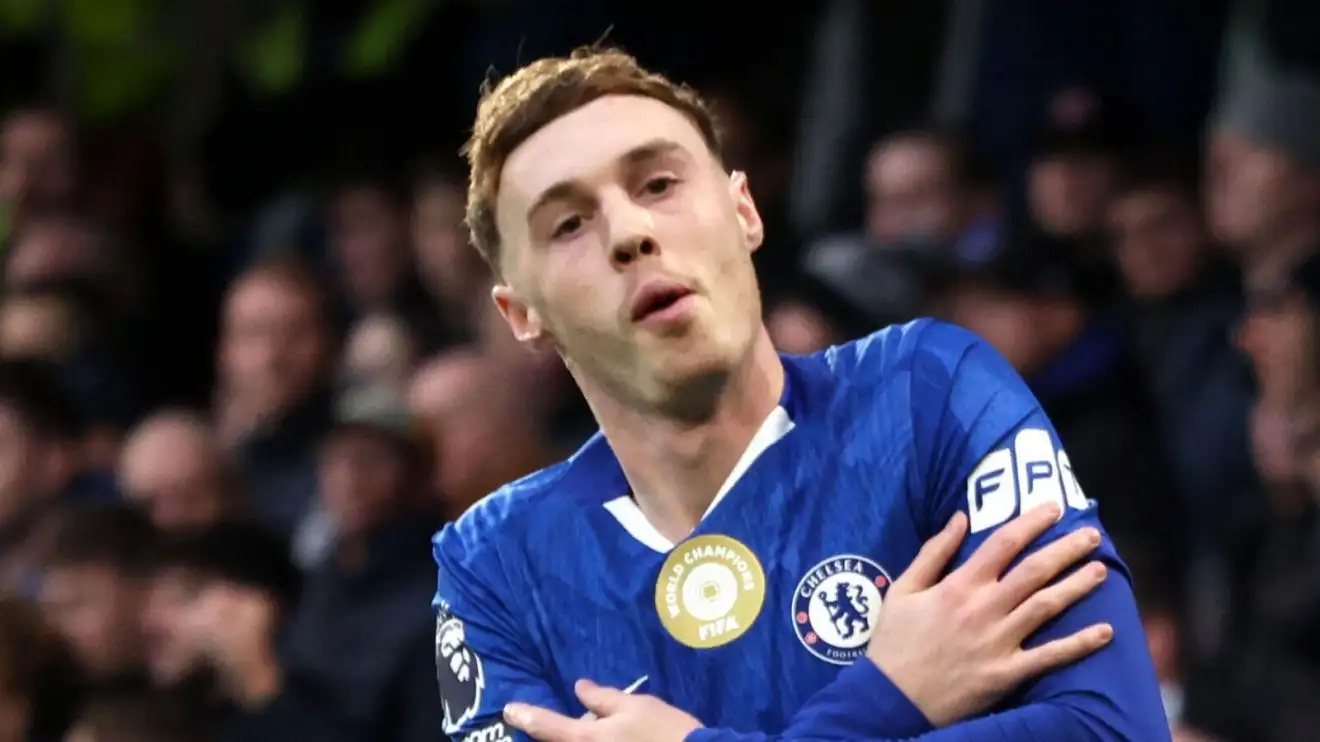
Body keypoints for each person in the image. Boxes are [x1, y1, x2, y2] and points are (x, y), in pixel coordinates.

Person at [432, 47, 1167, 742]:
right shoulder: (495, 572)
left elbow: (1112, 727)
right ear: (521, 313)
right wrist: (882, 697)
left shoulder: (930, 394)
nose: (629, 233)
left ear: (744, 212)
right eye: (568, 225)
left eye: (658, 184)